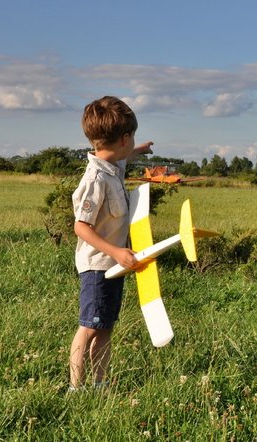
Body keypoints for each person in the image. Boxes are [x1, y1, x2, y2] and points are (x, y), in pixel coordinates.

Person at [69, 96, 154, 391]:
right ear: (125, 138)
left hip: (112, 265)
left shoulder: (111, 166)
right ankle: (75, 387)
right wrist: (116, 251)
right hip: (97, 265)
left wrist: (137, 152)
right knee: (89, 327)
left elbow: (119, 158)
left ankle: (100, 383)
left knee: (105, 327)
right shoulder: (95, 178)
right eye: (134, 140)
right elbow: (81, 226)